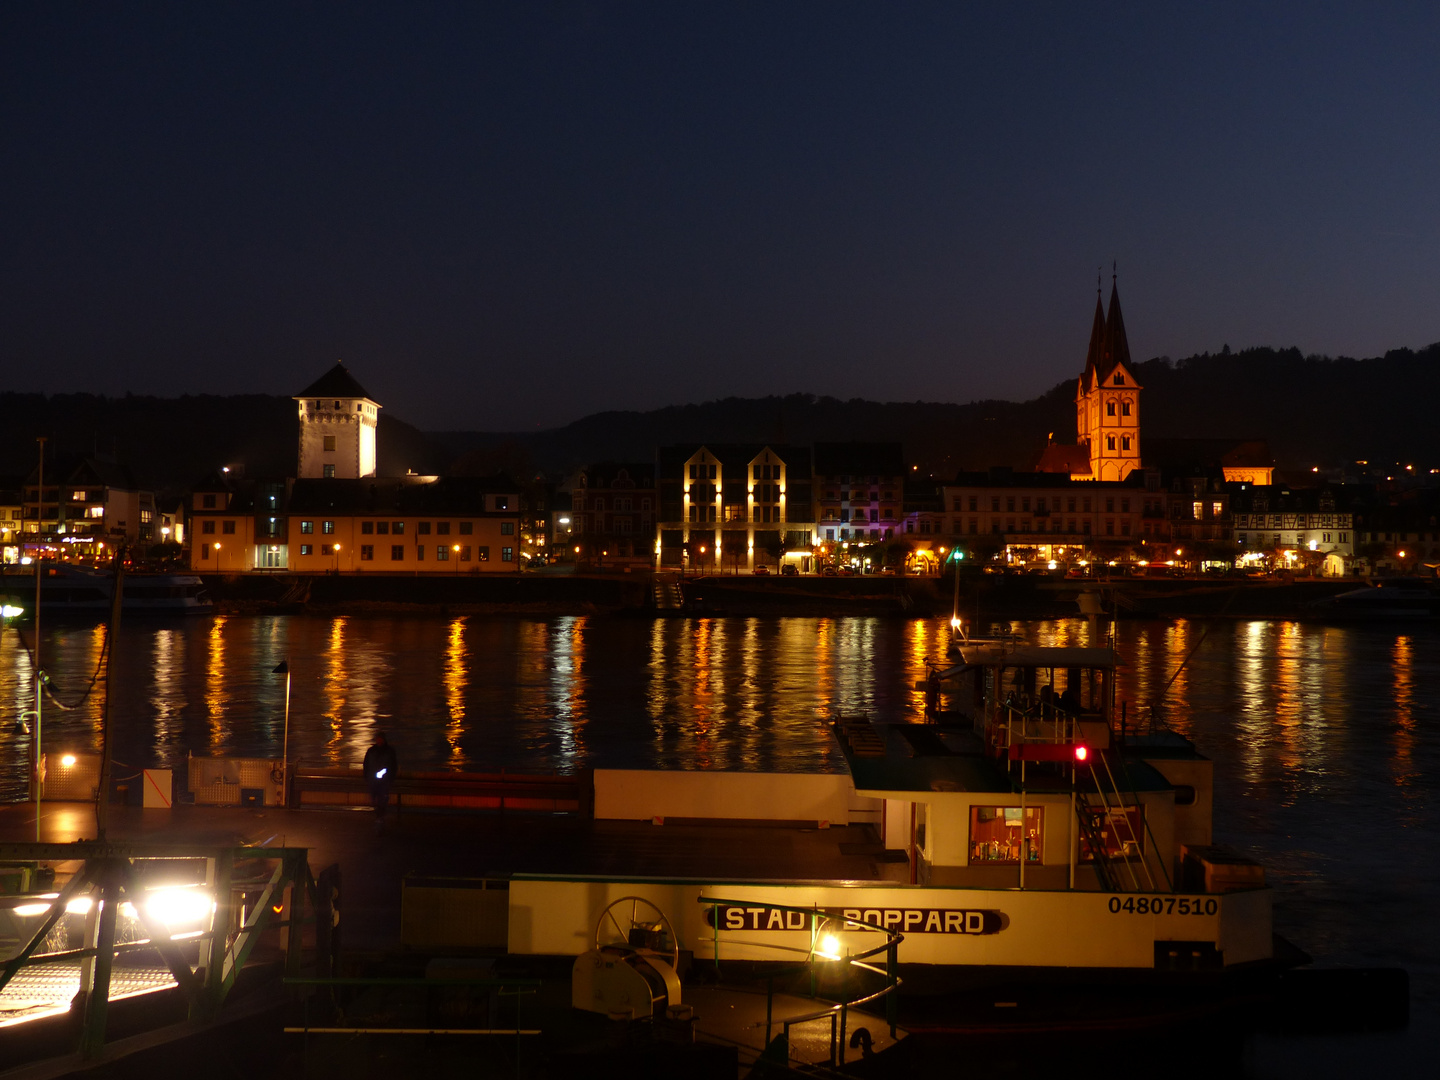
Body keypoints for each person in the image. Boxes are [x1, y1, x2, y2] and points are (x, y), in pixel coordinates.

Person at [363, 732, 398, 828]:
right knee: (376, 800)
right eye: (378, 739)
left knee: (382, 800)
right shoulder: (373, 751)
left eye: (380, 739)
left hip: (383, 781)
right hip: (374, 781)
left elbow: (393, 766)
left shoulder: (375, 751)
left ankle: (379, 818)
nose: (379, 741)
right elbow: (366, 765)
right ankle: (379, 818)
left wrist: (390, 778)